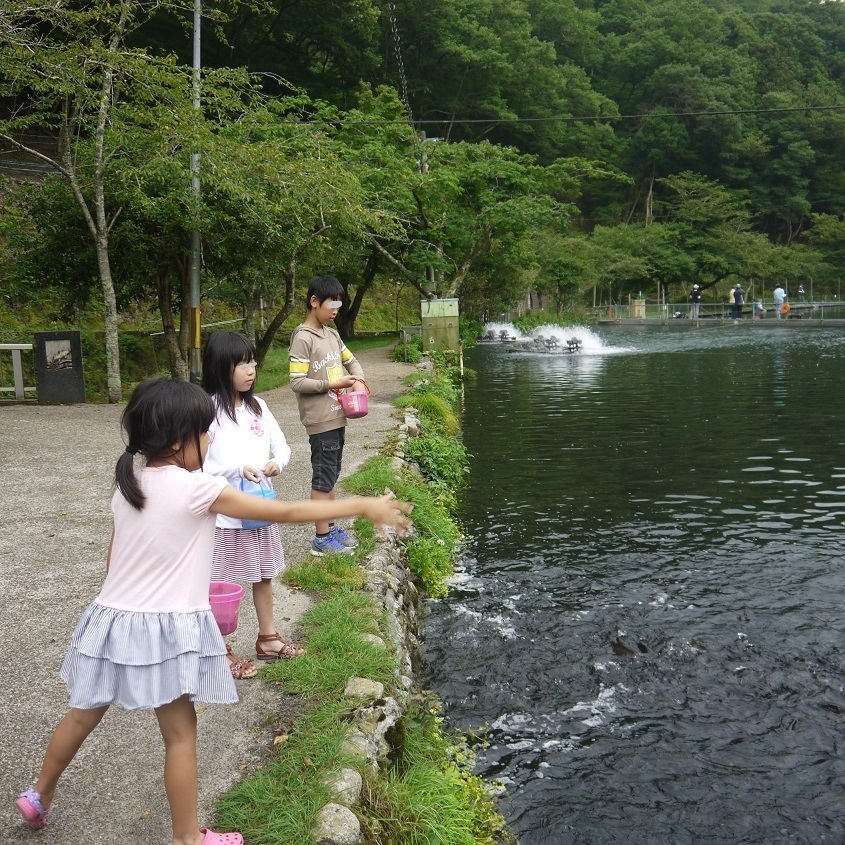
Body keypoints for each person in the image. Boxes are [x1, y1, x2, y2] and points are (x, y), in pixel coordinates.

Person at [15, 378, 411, 844]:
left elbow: (114, 555)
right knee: (181, 737)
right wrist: (362, 505)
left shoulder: (130, 484)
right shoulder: (197, 489)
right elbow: (281, 514)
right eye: (205, 434)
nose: (208, 441)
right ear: (180, 439)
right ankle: (188, 838)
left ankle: (39, 795)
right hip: (166, 628)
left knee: (82, 713)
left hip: (112, 617)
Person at [202, 331, 301, 671]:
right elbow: (201, 464)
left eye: (252, 362)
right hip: (225, 515)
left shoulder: (259, 407)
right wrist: (237, 468)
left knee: (264, 574)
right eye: (241, 364)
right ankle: (219, 650)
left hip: (260, 507)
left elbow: (283, 445)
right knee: (218, 584)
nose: (250, 370)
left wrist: (277, 463)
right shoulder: (207, 411)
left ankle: (268, 638)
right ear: (219, 367)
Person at [289, 275, 367, 557]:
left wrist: (357, 377)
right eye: (331, 305)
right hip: (320, 421)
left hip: (338, 416)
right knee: (322, 480)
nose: (336, 311)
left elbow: (351, 360)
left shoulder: (332, 334)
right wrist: (333, 385)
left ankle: (331, 527)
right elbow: (297, 382)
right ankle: (321, 538)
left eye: (339, 305)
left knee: (332, 476)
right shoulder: (303, 338)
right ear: (314, 302)